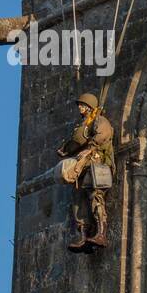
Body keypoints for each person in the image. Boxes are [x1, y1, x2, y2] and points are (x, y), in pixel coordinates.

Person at [58, 92, 114, 252]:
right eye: (79, 105)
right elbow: (77, 141)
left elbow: (104, 133)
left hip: (95, 163)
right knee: (78, 200)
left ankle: (101, 233)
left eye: (83, 105)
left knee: (95, 195)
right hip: (82, 167)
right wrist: (65, 149)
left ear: (90, 107)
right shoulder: (83, 125)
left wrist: (90, 148)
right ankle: (83, 235)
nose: (80, 108)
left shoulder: (98, 120)